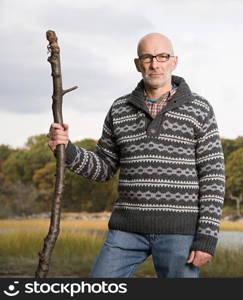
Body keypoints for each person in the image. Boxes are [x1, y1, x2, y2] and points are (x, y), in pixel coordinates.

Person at [47, 33, 225, 278]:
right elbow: (104, 167)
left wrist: (207, 237)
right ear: (137, 63)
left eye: (162, 56)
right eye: (147, 57)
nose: (155, 64)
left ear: (174, 61)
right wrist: (66, 149)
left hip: (180, 232)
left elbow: (213, 178)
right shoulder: (119, 109)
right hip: (126, 230)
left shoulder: (199, 109)